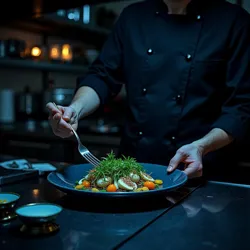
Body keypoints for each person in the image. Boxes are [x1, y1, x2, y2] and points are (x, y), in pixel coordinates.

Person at [46, 0, 250, 180]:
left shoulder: (234, 21)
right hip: (132, 171)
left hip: (200, 173)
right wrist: (75, 110)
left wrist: (202, 146)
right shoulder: (132, 17)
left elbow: (242, 107)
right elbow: (103, 76)